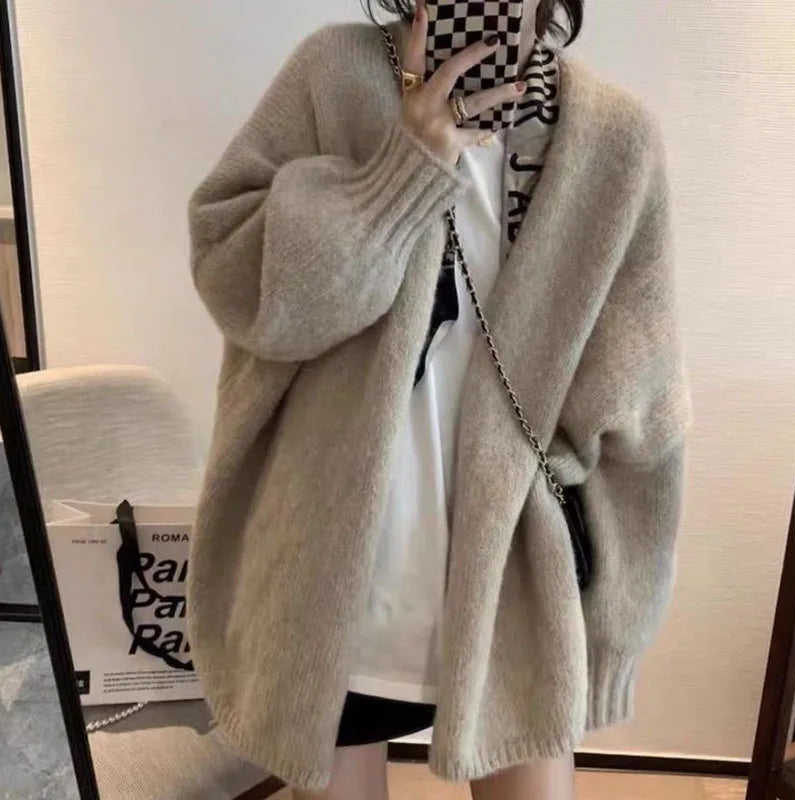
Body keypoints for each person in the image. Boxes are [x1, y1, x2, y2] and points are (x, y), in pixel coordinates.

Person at [185, 1, 692, 799]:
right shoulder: (334, 75)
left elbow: (644, 411)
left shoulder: (612, 139)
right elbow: (239, 283)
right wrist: (402, 170)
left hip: (514, 582)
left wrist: (615, 625)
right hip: (330, 576)